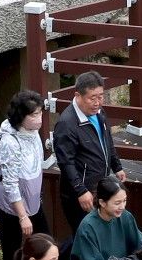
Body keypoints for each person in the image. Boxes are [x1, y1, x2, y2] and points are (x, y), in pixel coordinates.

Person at [52, 72, 123, 236]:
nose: (97, 103)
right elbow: (65, 162)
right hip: (81, 193)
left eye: (101, 97)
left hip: (100, 187)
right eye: (92, 98)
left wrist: (116, 166)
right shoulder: (66, 124)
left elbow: (107, 140)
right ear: (78, 95)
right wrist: (81, 190)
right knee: (85, 236)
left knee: (101, 234)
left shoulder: (99, 113)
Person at [0, 90, 48, 260]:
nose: (39, 118)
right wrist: (22, 216)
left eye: (40, 113)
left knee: (44, 242)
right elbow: (10, 183)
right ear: (21, 116)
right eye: (34, 115)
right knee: (13, 256)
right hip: (12, 207)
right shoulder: (10, 141)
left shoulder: (33, 132)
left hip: (33, 200)